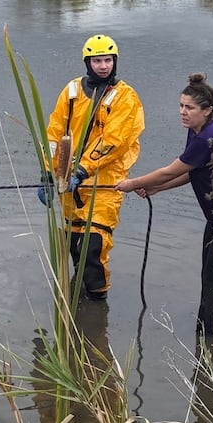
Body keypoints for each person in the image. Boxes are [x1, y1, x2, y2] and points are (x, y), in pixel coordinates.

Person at [116, 72, 213, 336]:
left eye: (189, 108)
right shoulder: (197, 132)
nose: (182, 112)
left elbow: (170, 170)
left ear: (207, 111)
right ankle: (203, 340)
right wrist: (157, 189)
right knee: (209, 278)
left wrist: (132, 183)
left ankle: (211, 346)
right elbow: (192, 171)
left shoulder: (209, 137)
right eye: (181, 106)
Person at [38, 35, 145, 300]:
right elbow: (54, 134)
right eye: (97, 61)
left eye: (108, 60)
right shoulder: (72, 92)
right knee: (73, 244)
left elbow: (114, 140)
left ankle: (98, 300)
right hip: (69, 183)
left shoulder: (125, 96)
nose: (103, 66)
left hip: (104, 182)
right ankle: (79, 300)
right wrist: (49, 174)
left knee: (93, 245)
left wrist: (83, 170)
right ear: (87, 62)